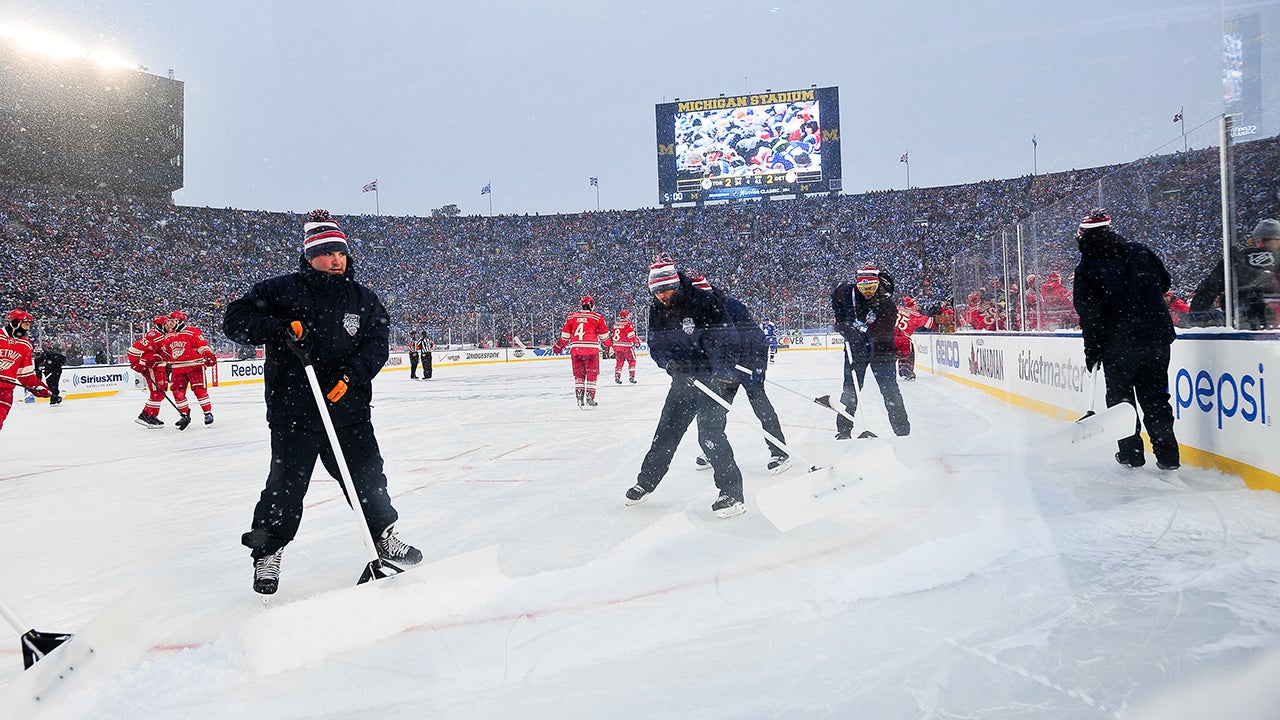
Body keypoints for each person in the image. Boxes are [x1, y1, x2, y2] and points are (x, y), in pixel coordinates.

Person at [223, 209, 421, 595]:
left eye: (341, 253)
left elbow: (376, 345)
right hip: (294, 411)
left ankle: (382, 537)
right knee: (285, 485)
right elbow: (234, 320)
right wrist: (279, 329)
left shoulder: (362, 299)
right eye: (328, 253)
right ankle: (268, 552)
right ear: (310, 255)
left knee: (367, 478)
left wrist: (351, 377)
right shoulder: (278, 291)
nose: (336, 260)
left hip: (348, 411)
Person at [626, 257, 747, 518]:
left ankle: (732, 494)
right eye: (656, 291)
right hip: (684, 379)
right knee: (666, 432)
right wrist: (669, 363)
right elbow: (656, 344)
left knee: (710, 435)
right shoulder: (657, 309)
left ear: (676, 284)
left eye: (665, 289)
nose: (662, 296)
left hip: (717, 378)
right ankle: (646, 482)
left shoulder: (703, 301)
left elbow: (727, 338)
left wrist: (722, 373)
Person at [1072, 208, 1180, 471]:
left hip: (1118, 344)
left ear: (1083, 236)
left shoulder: (1087, 267)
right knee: (1155, 398)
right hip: (1156, 338)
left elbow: (1089, 316)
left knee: (1121, 401)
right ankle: (1168, 457)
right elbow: (1165, 283)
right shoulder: (1141, 251)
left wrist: (1092, 350)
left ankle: (1131, 455)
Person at [691, 274, 791, 475]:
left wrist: (759, 366)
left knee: (761, 406)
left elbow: (756, 337)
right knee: (716, 409)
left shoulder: (733, 307)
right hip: (725, 368)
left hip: (748, 364)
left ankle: (780, 451)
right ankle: (713, 450)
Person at [831, 264, 911, 437]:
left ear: (877, 285)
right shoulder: (846, 293)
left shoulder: (887, 304)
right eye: (863, 287)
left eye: (871, 288)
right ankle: (843, 432)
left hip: (882, 352)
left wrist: (859, 337)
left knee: (890, 391)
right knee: (850, 390)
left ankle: (902, 432)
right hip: (855, 352)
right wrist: (842, 323)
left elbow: (882, 334)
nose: (867, 291)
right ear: (857, 284)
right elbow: (835, 294)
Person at [1188, 218, 1280, 329]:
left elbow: (1207, 290)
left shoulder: (1240, 258)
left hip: (1243, 326)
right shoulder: (1240, 259)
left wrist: (1196, 316)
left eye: (1259, 241)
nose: (1258, 245)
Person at [551, 295, 612, 407]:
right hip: (591, 350)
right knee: (592, 374)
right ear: (592, 306)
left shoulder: (571, 317)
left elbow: (565, 337)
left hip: (576, 350)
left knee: (579, 374)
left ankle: (579, 392)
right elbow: (604, 336)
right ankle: (590, 395)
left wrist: (558, 347)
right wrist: (609, 346)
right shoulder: (597, 318)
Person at [161, 309, 218, 427]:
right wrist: (161, 362)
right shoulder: (168, 336)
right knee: (177, 392)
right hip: (177, 368)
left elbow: (202, 345)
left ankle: (207, 413)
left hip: (194, 366)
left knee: (200, 391)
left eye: (172, 320)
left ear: (180, 320)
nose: (169, 323)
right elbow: (166, 352)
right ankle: (184, 414)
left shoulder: (192, 332)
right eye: (169, 321)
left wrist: (207, 354)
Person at [0, 309, 52, 430]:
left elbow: (25, 374)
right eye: (25, 324)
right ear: (14, 323)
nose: (28, 329)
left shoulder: (25, 345)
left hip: (5, 393)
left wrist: (37, 387)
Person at [126, 315, 173, 428]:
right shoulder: (154, 336)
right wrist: (137, 364)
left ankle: (146, 414)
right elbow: (133, 350)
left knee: (161, 392)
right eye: (167, 323)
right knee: (156, 392)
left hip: (160, 367)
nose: (169, 326)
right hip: (152, 367)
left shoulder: (164, 335)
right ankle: (150, 416)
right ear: (160, 325)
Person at [893, 296, 935, 381]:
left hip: (889, 337)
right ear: (913, 304)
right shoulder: (916, 315)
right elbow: (931, 323)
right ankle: (906, 372)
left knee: (887, 358)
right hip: (903, 339)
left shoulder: (896, 309)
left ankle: (885, 372)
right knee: (907, 355)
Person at [611, 309, 638, 384]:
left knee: (619, 362)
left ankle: (617, 375)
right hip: (626, 346)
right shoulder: (628, 323)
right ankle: (632, 376)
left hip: (617, 345)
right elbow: (631, 335)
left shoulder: (616, 324)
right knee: (632, 360)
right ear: (626, 316)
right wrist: (636, 342)